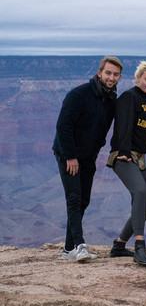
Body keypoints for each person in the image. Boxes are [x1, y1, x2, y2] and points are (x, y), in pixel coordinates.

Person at [53, 56, 123, 262]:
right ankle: (80, 246)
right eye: (108, 73)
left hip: (88, 157)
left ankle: (68, 249)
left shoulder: (110, 100)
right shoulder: (78, 94)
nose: (111, 77)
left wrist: (94, 152)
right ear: (99, 73)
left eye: (116, 74)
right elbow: (63, 127)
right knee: (74, 198)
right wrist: (70, 156)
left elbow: (103, 130)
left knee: (84, 200)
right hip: (68, 154)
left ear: (119, 77)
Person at [107, 60, 146, 266]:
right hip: (124, 155)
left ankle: (119, 245)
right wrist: (123, 151)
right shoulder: (129, 97)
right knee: (139, 191)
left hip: (141, 159)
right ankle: (140, 246)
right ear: (137, 78)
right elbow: (124, 124)